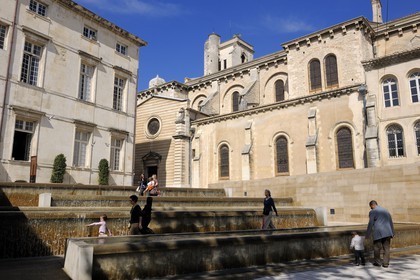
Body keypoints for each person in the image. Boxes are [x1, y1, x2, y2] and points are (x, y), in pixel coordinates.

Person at [366, 200, 395, 268]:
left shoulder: (373, 211)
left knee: (377, 248)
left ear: (372, 205)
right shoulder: (386, 210)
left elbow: (371, 223)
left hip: (378, 232)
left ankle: (378, 262)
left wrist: (367, 234)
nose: (371, 208)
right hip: (388, 232)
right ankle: (385, 263)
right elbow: (390, 221)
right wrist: (392, 232)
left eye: (371, 207)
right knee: (386, 248)